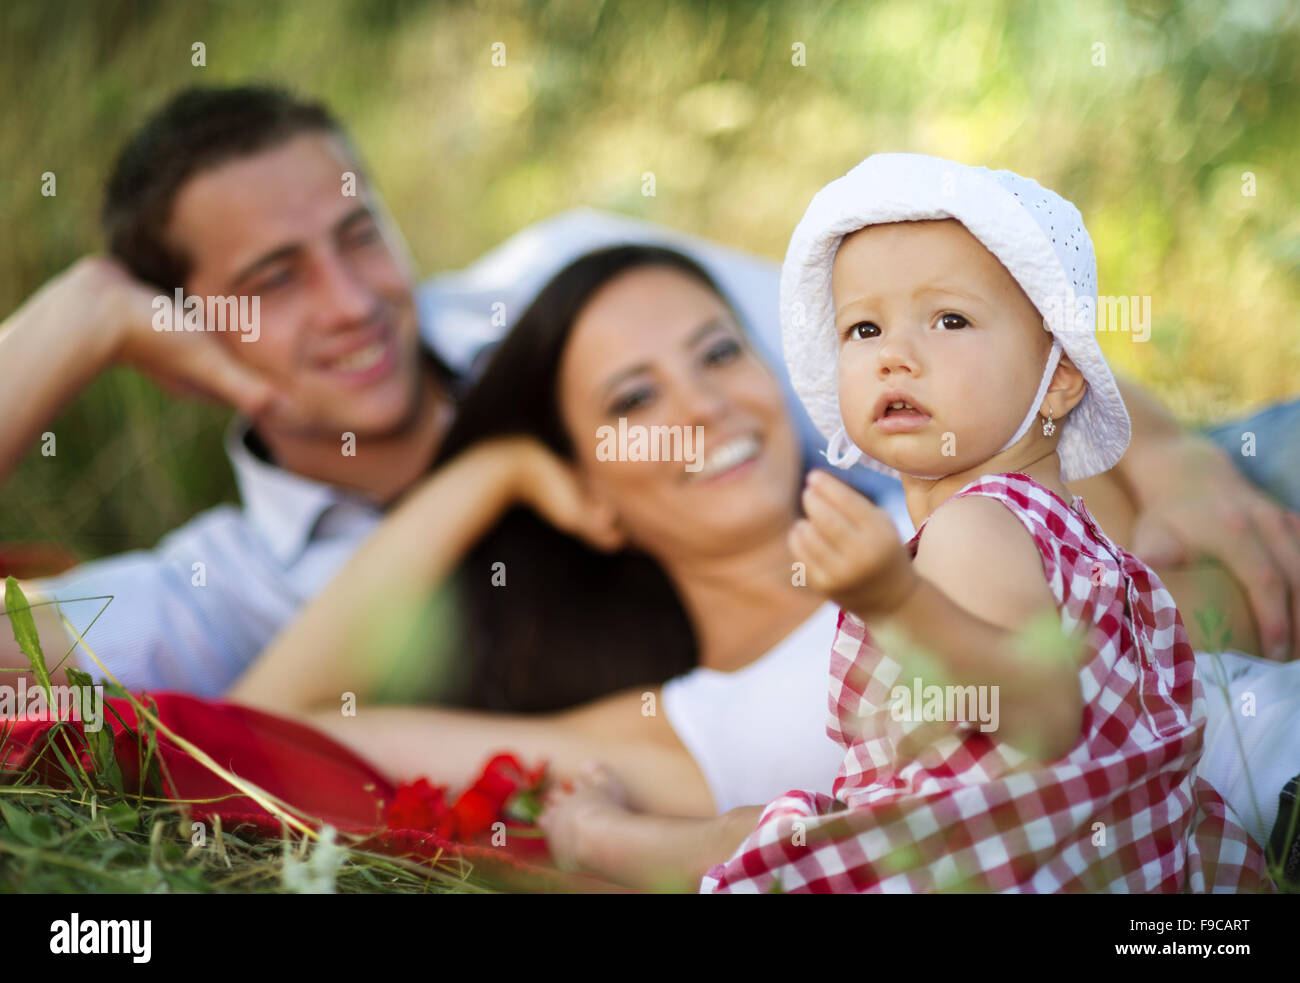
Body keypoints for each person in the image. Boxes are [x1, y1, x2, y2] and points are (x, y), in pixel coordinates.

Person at [228, 242, 1297, 892]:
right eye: (632, 400)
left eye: (718, 352)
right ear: (587, 493)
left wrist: (1180, 462)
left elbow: (1066, 400)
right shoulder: (683, 727)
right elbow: (253, 724)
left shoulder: (951, 482)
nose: (703, 406)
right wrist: (491, 472)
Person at [539, 155, 1278, 893]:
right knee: (778, 829)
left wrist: (891, 596)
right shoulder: (1065, 535)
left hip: (980, 859)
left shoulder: (975, 526)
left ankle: (595, 836)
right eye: (863, 328)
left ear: (1058, 376)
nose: (894, 355)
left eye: (949, 319)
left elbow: (1044, 710)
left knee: (767, 839)